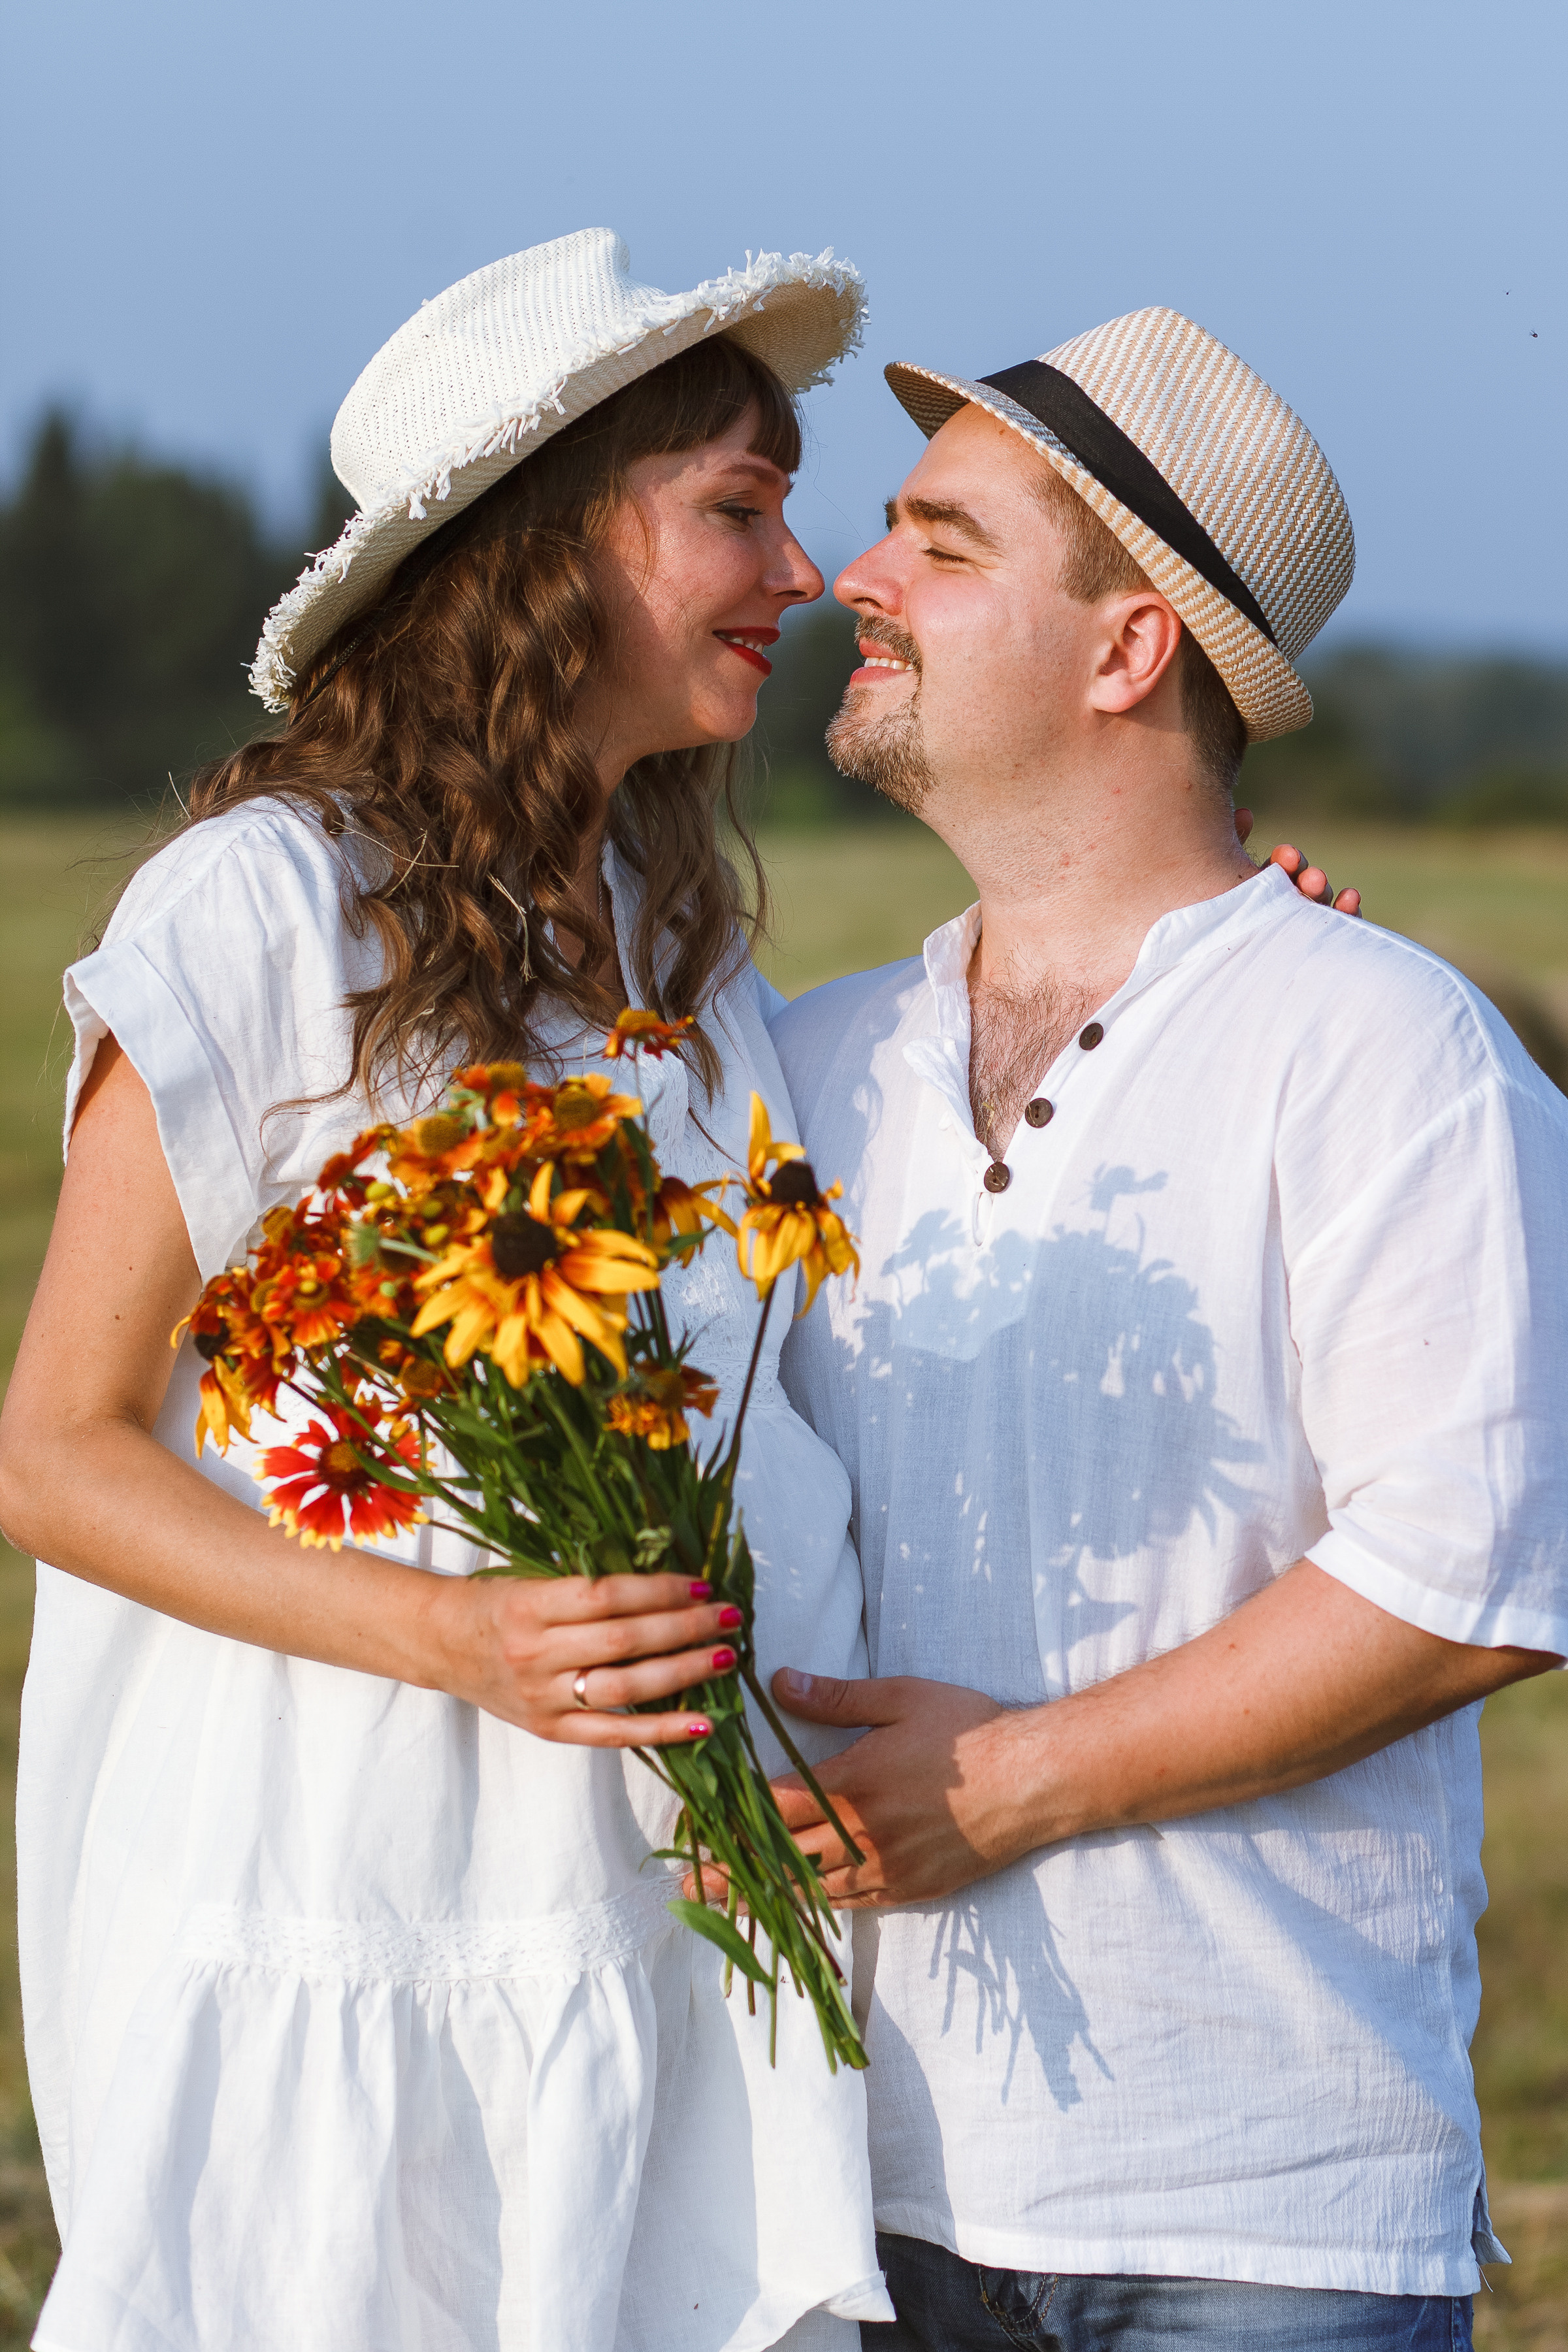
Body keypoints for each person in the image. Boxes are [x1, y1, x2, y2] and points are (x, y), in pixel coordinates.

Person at [0, 227, 896, 2352]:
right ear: (543, 546)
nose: (808, 570)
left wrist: (1234, 940)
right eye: (738, 514)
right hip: (345, 1892)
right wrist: (458, 1633)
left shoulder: (675, 954)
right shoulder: (264, 903)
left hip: (641, 1922)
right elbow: (51, 1451)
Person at [762, 309, 1568, 2349]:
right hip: (831, 2195)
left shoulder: (1387, 1049)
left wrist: (1012, 1783)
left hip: (1252, 2211)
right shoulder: (798, 1068)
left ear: (1131, 651)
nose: (856, 580)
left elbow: (1470, 1576)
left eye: (944, 545)